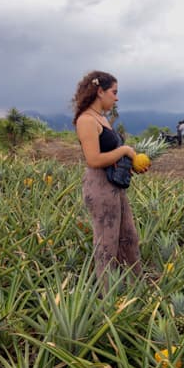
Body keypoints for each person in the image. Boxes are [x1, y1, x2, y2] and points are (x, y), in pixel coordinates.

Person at [72, 71, 146, 290]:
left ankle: (133, 289)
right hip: (100, 187)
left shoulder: (102, 118)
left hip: (114, 186)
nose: (116, 98)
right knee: (107, 243)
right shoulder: (86, 120)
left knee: (127, 237)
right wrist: (125, 149)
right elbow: (94, 159)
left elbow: (110, 155)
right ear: (99, 91)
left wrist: (129, 165)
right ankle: (108, 297)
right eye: (114, 92)